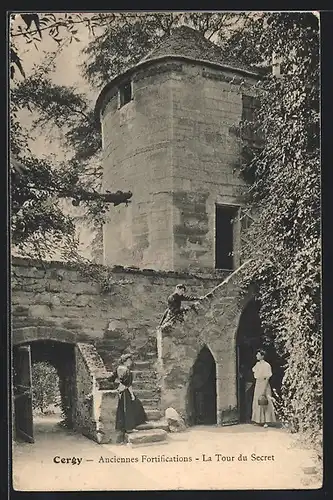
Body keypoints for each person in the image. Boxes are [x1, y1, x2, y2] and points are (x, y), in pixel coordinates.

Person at [115, 353, 147, 443]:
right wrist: (132, 395)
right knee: (130, 408)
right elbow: (128, 385)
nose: (130, 362)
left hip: (120, 391)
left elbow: (113, 378)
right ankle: (129, 428)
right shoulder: (127, 371)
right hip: (125, 391)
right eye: (129, 361)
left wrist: (118, 387)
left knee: (125, 409)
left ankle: (126, 427)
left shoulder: (118, 368)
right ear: (125, 361)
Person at [251, 349, 276, 428]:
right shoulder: (257, 364)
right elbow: (255, 372)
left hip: (264, 383)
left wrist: (264, 388)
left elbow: (267, 377)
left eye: (258, 355)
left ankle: (266, 421)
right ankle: (259, 420)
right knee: (258, 401)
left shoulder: (267, 365)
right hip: (258, 383)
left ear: (262, 356)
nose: (256, 356)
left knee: (265, 401)